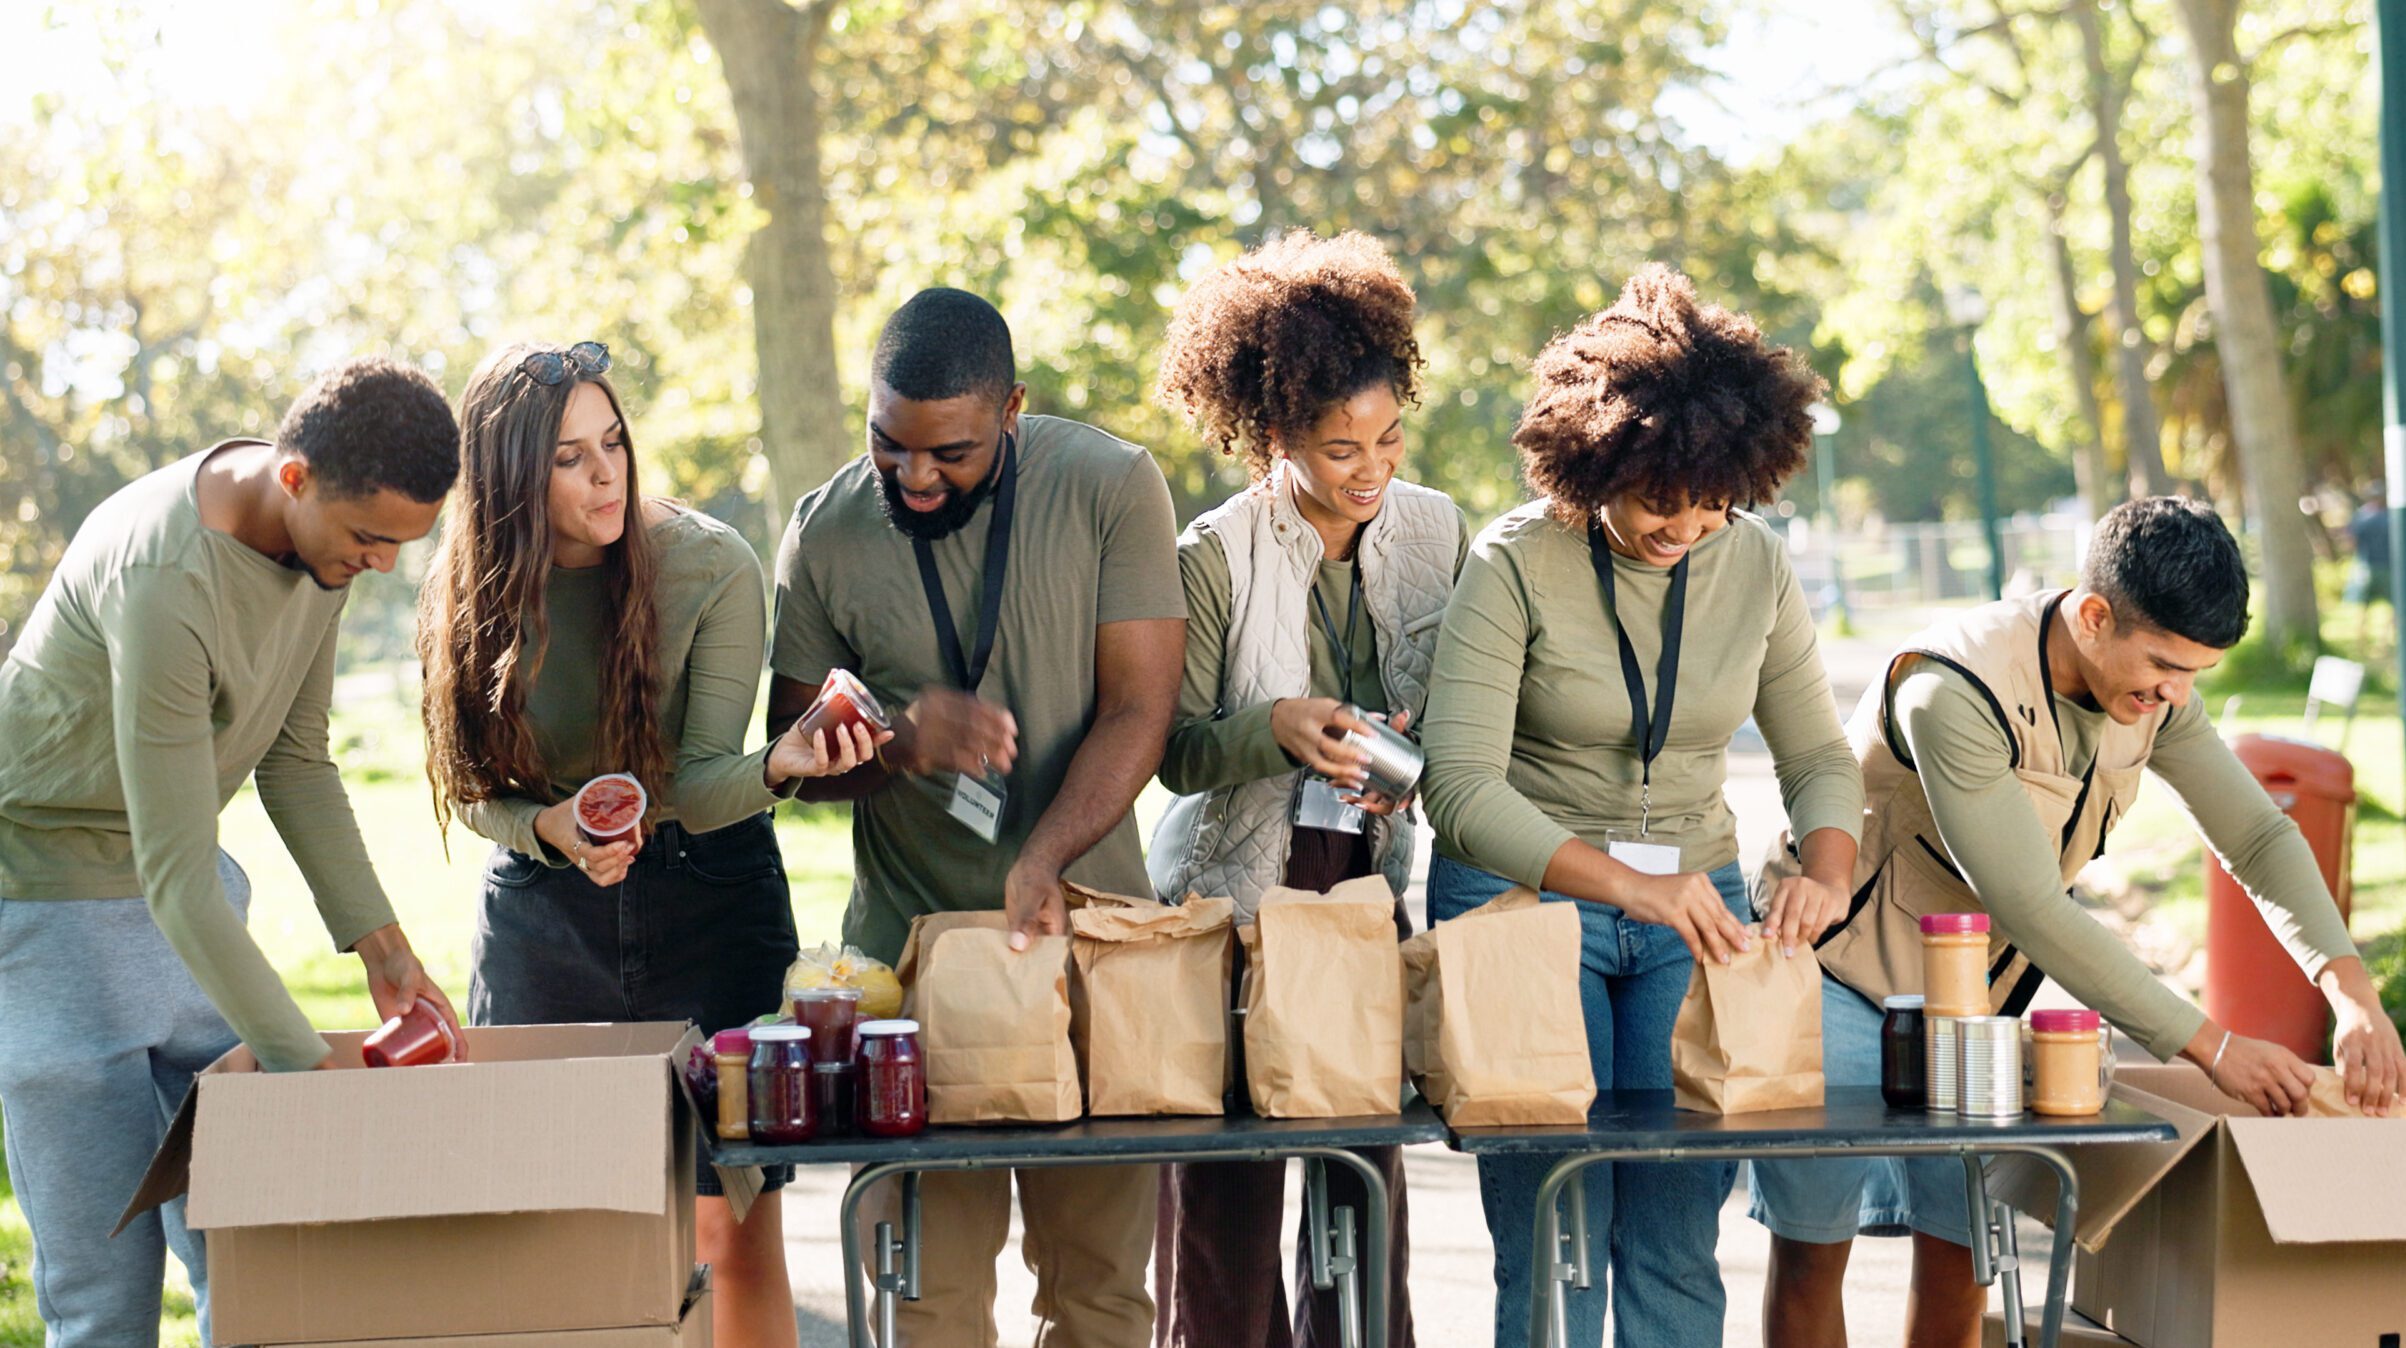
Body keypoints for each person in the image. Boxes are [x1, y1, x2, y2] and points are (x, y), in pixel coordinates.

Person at [1749, 495, 2406, 1348]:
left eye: (2196, 674)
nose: (2176, 693)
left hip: (1969, 1006)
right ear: (2095, 617)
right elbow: (2029, 905)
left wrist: (2348, 989)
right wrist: (2211, 1046)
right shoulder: (1954, 689)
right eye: (2166, 665)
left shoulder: (2154, 694)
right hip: (1836, 977)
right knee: (1814, 1247)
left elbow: (2254, 832)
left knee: (1963, 1253)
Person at [1418, 265, 1865, 1348]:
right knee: (1556, 1240)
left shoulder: (1751, 564)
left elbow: (1816, 752)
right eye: (1661, 496)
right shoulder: (1515, 560)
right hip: (1521, 904)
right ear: (1598, 458)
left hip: (1692, 910)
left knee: (1675, 1240)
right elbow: (1462, 789)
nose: (1686, 526)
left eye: (1715, 502)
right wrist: (1631, 886)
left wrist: (1831, 866)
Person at [415, 341, 875, 1348]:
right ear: (509, 485)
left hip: (710, 894)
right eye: (571, 458)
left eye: (613, 442)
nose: (607, 471)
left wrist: (783, 762)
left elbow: (703, 783)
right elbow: (472, 788)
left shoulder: (711, 565)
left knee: (731, 1223)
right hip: (544, 911)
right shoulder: (471, 590)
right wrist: (547, 828)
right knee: (555, 1224)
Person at [0, 358, 462, 1346]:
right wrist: (306, 1070)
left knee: (254, 1250)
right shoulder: (165, 576)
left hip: (188, 906)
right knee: (105, 1290)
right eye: (371, 537)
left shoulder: (324, 551)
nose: (383, 563)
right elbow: (171, 869)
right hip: (49, 906)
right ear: (293, 477)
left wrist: (384, 949)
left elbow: (295, 760)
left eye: (402, 543)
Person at [765, 288, 1186, 1344]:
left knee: (1098, 1296)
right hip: (911, 975)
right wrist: (903, 739)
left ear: (1012, 410)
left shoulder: (1110, 484)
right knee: (931, 1299)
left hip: (1083, 944)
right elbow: (793, 757)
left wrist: (1045, 851)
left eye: (948, 452)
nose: (914, 476)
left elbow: (1142, 704)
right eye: (887, 445)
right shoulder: (823, 531)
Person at [1144, 230, 1465, 1348]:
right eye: (1338, 449)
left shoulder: (1436, 531)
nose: (1369, 469)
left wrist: (1420, 753)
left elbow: (1465, 712)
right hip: (1233, 897)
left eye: (1386, 437)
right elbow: (1174, 749)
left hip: (1360, 890)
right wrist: (1275, 728)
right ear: (1274, 435)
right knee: (1225, 1204)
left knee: (1359, 1189)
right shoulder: (1214, 553)